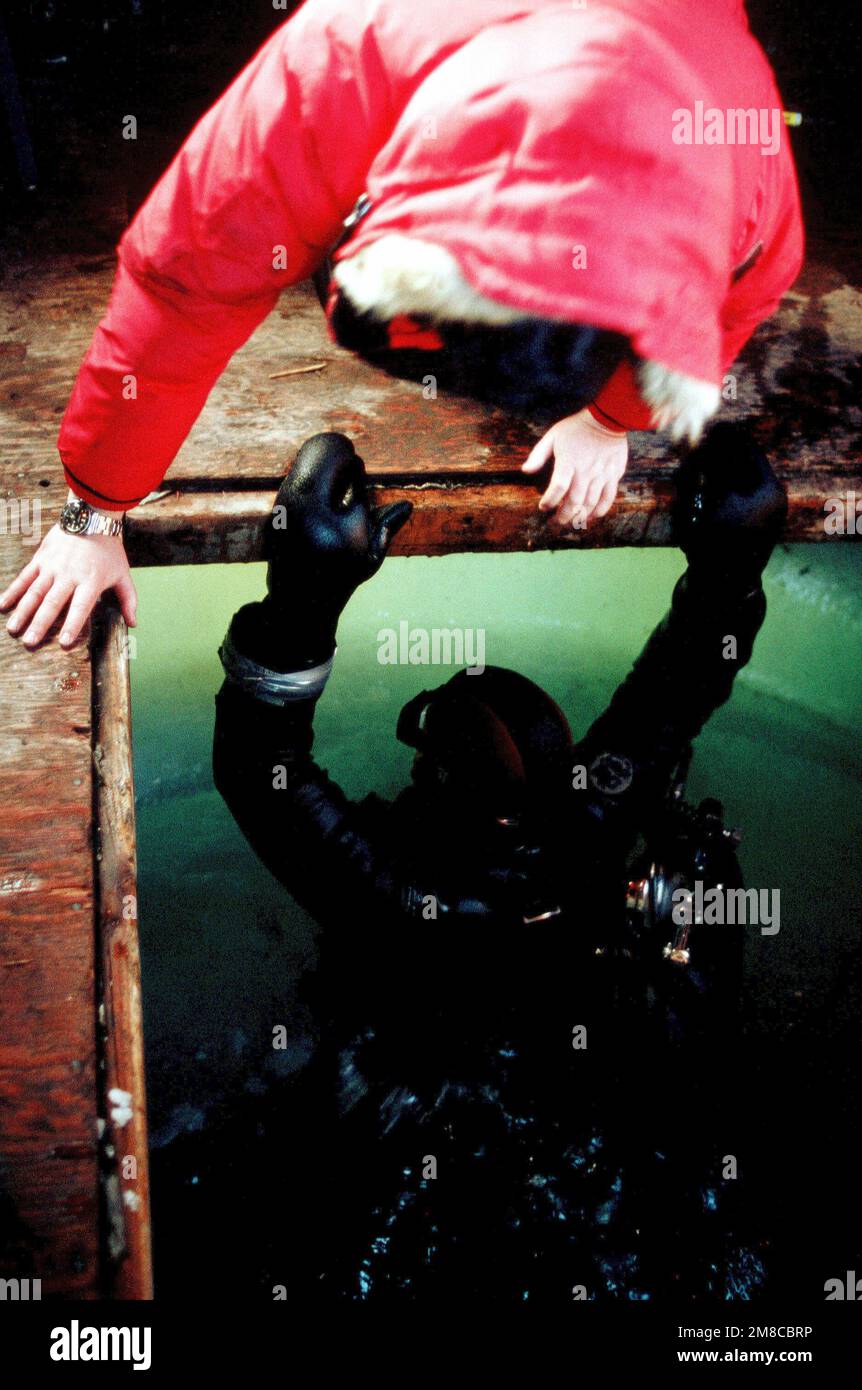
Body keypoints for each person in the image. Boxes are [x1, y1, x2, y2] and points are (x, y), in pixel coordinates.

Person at [2, 0, 802, 649]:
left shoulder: (745, 159)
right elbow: (185, 284)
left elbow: (740, 302)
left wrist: (609, 418)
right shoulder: (335, 62)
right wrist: (93, 510)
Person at [208, 423, 787, 1298]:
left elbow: (258, 770)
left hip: (416, 1111)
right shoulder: (593, 823)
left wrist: (304, 599)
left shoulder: (394, 895)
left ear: (434, 780)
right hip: (577, 1105)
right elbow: (677, 690)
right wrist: (732, 571)